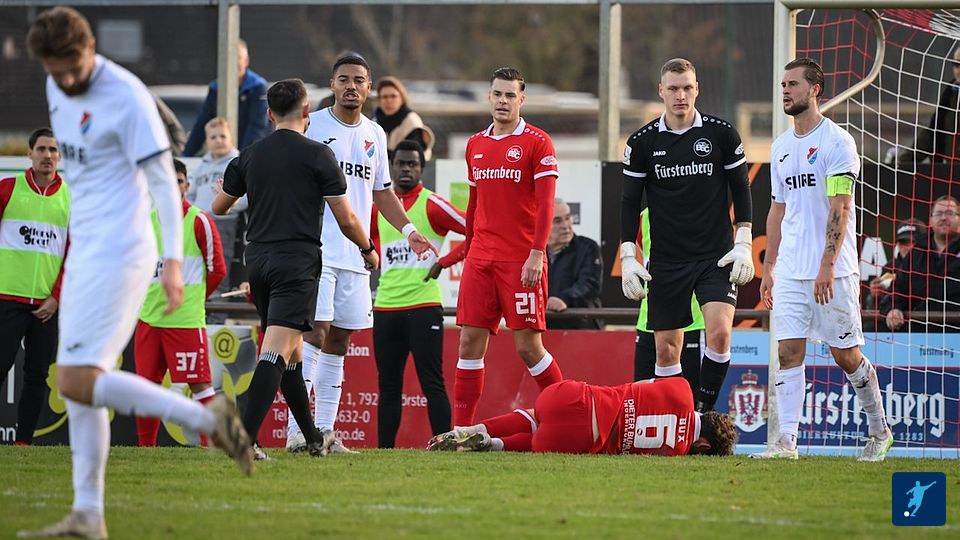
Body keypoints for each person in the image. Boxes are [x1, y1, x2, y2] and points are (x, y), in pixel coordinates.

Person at [21, 7, 252, 538]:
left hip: (122, 251)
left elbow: (167, 187)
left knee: (77, 379)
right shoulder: (57, 85)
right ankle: (88, 513)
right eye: (55, 72)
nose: (66, 80)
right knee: (79, 386)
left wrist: (171, 260)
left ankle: (206, 418)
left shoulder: (127, 97)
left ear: (91, 48)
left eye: (73, 68)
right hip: (85, 252)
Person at [213, 78, 379, 460]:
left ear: (269, 114)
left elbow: (220, 206)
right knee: (275, 351)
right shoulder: (318, 155)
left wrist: (224, 189)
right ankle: (245, 440)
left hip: (258, 261)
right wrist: (368, 249)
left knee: (292, 356)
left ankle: (313, 439)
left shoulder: (250, 154)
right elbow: (347, 218)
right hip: (297, 263)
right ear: (306, 111)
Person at [285, 55, 437, 454]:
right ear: (332, 85)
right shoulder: (313, 126)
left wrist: (409, 231)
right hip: (316, 250)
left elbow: (382, 191)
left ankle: (324, 431)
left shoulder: (374, 134)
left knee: (339, 340)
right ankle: (297, 432)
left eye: (359, 80)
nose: (351, 86)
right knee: (313, 334)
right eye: (344, 79)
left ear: (369, 88)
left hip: (355, 254)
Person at [757, 58, 892, 461]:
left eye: (793, 84)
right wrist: (769, 267)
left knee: (845, 355)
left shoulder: (837, 142)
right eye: (783, 85)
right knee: (787, 353)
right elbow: (778, 210)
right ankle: (786, 443)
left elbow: (840, 208)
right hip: (791, 269)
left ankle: (879, 430)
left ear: (815, 90)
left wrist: (827, 267)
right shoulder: (781, 147)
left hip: (833, 271)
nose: (785, 91)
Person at [620, 58, 753, 412]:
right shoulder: (642, 142)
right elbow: (629, 202)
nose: (681, 95)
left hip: (715, 256)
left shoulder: (722, 134)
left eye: (687, 88)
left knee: (720, 333)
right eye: (673, 89)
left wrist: (744, 241)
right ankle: (679, 421)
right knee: (667, 350)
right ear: (661, 91)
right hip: (667, 260)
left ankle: (702, 414)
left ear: (697, 90)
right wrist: (628, 257)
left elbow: (742, 190)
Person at [454, 66, 564, 427]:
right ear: (489, 96)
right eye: (498, 94)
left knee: (528, 348)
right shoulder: (475, 144)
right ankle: (460, 432)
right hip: (480, 259)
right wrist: (469, 250)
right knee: (468, 343)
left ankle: (567, 413)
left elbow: (546, 205)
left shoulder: (537, 142)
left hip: (520, 260)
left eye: (510, 95)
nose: (503, 101)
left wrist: (537, 253)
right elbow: (473, 205)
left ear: (521, 99)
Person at [370, 140, 466, 448]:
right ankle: (384, 454)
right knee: (388, 387)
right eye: (400, 163)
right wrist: (367, 256)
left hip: (423, 306)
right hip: (385, 307)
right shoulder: (380, 207)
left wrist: (444, 262)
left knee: (432, 384)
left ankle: (444, 446)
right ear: (391, 167)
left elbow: (477, 229)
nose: (406, 169)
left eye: (412, 164)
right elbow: (365, 243)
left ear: (422, 169)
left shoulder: (432, 204)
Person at [134, 158, 226, 447]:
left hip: (185, 321)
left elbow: (218, 270)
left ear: (187, 186)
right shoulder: (145, 223)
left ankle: (209, 445)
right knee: (146, 388)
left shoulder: (199, 221)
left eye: (178, 182)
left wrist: (193, 300)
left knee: (199, 384)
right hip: (149, 320)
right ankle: (145, 451)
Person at [427, 377, 737, 457]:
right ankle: (493, 444)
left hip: (574, 398)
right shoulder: (677, 453)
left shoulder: (682, 389)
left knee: (537, 415)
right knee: (537, 440)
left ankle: (470, 428)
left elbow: (639, 385)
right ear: (703, 445)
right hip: (578, 439)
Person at [0, 128, 67, 446]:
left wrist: (56, 297)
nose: (47, 155)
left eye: (53, 150)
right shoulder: (8, 188)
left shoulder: (71, 200)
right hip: (6, 299)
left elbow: (75, 255)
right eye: (41, 149)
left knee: (37, 376)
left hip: (46, 305)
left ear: (60, 156)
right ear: (29, 154)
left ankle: (24, 443)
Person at [633, 208, 703, 402]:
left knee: (691, 402)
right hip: (649, 322)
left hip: (691, 323)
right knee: (642, 399)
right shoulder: (644, 216)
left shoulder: (702, 208)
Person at [186, 116, 245, 307]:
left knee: (219, 266)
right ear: (206, 141)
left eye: (222, 136)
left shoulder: (238, 162)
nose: (218, 140)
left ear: (231, 138)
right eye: (213, 137)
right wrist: (195, 213)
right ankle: (201, 306)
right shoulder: (202, 166)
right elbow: (190, 194)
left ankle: (218, 312)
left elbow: (247, 195)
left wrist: (229, 206)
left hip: (224, 222)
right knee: (199, 263)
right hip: (200, 222)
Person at [183, 39, 270, 157]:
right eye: (230, 58)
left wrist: (242, 158)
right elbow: (202, 124)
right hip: (226, 156)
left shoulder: (258, 87)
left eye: (238, 58)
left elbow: (257, 126)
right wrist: (185, 157)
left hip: (254, 155)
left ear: (246, 61)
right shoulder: (215, 88)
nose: (233, 62)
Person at [886, 196, 960, 331]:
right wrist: (893, 308)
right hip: (920, 333)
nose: (944, 218)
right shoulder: (916, 253)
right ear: (930, 220)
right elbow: (898, 289)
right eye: (939, 213)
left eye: (950, 213)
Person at [894, 46, 960, 165]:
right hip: (949, 169)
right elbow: (933, 133)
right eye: (956, 64)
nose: (958, 69)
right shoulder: (950, 95)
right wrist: (901, 162)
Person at [545, 198, 603, 330]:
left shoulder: (588, 247)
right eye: (557, 221)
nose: (566, 225)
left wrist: (564, 299)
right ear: (541, 223)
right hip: (541, 331)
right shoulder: (534, 254)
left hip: (580, 329)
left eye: (567, 218)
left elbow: (590, 284)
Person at [864, 219, 924, 317]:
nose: (910, 247)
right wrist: (875, 297)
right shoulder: (890, 267)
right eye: (904, 242)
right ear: (897, 245)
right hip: (896, 320)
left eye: (915, 242)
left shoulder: (933, 264)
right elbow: (875, 309)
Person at [373, 76, 436, 161]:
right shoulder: (374, 123)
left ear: (402, 98)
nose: (389, 101)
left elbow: (411, 156)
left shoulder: (411, 122)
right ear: (379, 100)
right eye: (384, 97)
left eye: (393, 96)